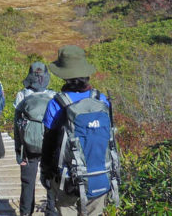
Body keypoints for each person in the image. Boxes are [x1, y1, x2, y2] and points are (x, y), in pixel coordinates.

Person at [40, 45, 119, 216]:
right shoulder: (101, 99)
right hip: (100, 172)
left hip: (66, 178)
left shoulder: (57, 103)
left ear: (64, 76)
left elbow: (48, 142)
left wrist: (45, 172)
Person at [14, 62, 57, 216]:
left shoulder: (22, 95)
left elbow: (17, 126)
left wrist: (19, 152)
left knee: (27, 184)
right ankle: (51, 212)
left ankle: (26, 213)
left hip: (28, 147)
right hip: (50, 147)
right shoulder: (54, 95)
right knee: (52, 184)